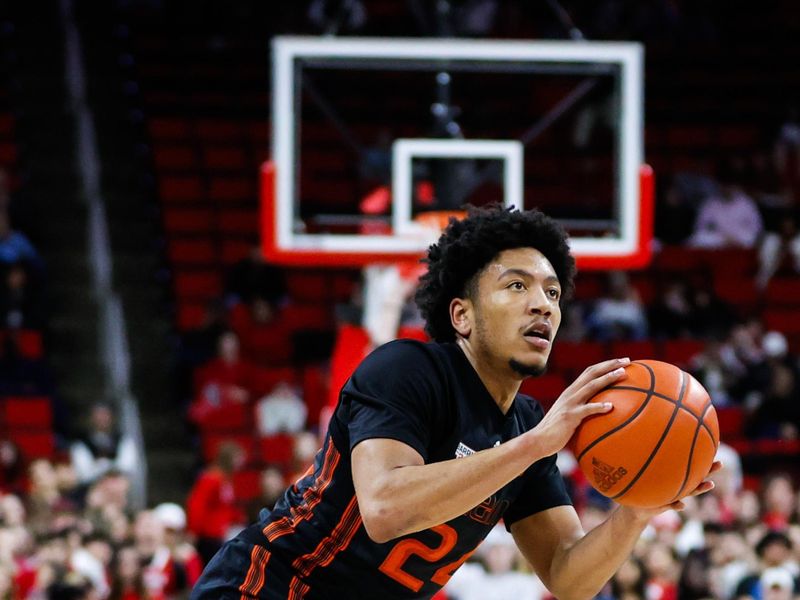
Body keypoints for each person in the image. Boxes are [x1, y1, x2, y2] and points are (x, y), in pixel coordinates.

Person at [191, 205, 719, 599]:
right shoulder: (407, 369)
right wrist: (534, 446)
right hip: (266, 586)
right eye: (517, 285)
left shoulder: (528, 424)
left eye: (553, 293)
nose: (542, 303)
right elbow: (385, 508)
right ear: (462, 316)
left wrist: (635, 512)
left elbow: (566, 575)